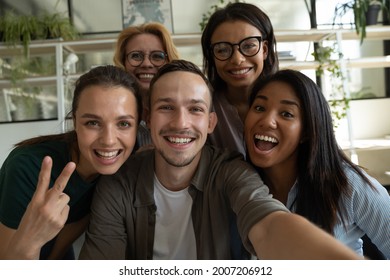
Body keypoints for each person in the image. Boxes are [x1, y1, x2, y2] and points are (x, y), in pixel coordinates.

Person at [79, 60, 360, 260]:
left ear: (211, 122)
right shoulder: (119, 183)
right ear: (148, 119)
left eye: (195, 109)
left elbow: (269, 225)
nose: (180, 123)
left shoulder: (230, 171)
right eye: (166, 107)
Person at [244, 69, 390, 259]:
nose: (267, 121)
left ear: (307, 131)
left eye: (286, 114)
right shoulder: (240, 183)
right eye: (259, 108)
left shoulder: (348, 185)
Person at [0, 65, 142, 260]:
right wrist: (32, 237)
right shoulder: (28, 167)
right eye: (93, 123)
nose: (109, 140)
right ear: (74, 121)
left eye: (124, 124)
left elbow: (56, 255)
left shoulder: (122, 170)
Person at [201, 2, 279, 156]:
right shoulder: (203, 106)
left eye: (249, 46)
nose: (237, 59)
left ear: (264, 49)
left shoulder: (293, 98)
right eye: (223, 50)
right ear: (212, 56)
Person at [114, 22, 180, 148]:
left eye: (157, 56)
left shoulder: (186, 111)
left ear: (170, 61)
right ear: (123, 63)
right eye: (136, 56)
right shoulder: (111, 110)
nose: (146, 64)